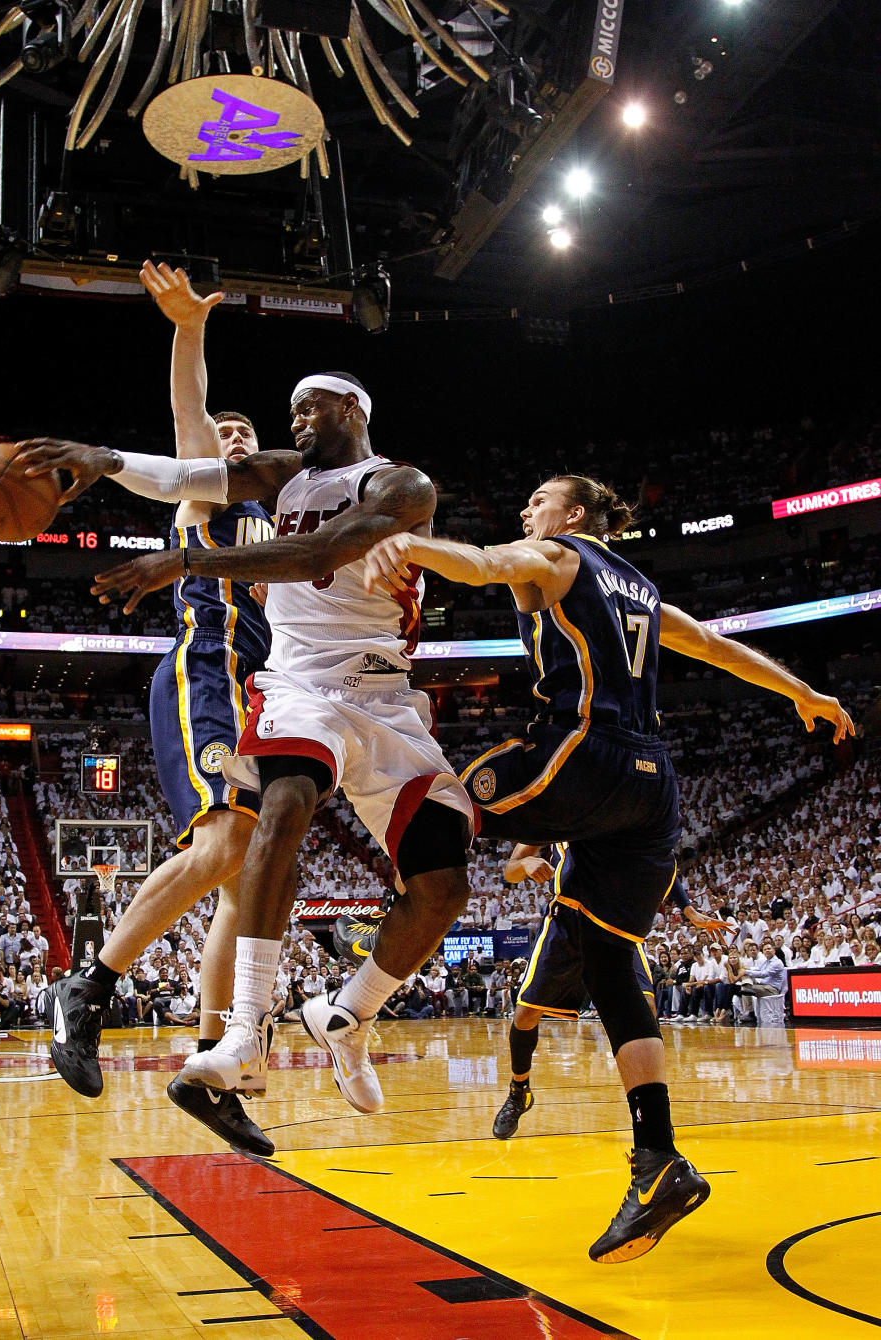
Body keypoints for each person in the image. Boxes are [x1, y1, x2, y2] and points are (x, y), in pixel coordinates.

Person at [361, 471, 853, 1264]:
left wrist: (410, 542)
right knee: (610, 962)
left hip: (583, 751)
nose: (528, 509)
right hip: (652, 790)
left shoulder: (557, 556)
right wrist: (804, 692)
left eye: (540, 500)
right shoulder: (645, 592)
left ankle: (362, 990)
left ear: (576, 515)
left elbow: (484, 565)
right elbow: (719, 648)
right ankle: (657, 1159)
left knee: (441, 798)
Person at [22, 368, 477, 1117]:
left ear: (352, 407)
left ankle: (348, 1014)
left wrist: (190, 558)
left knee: (442, 885)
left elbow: (316, 554)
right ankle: (231, 1032)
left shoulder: (402, 485)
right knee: (277, 808)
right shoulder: (281, 477)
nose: (294, 421)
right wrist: (105, 458)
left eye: (309, 408)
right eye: (290, 411)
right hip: (294, 684)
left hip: (386, 697)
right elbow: (192, 470)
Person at [29, 262, 275, 1157]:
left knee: (243, 887)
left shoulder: (283, 519)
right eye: (227, 432)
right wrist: (188, 330)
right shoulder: (204, 488)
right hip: (206, 673)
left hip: (267, 698)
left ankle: (210, 1063)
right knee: (221, 849)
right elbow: (188, 415)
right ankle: (87, 987)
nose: (234, 439)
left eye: (247, 432)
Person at [488, 843, 732, 1138]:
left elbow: (660, 857)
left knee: (646, 1009)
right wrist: (526, 865)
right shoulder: (550, 809)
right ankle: (519, 1090)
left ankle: (652, 1115)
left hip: (613, 919)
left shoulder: (616, 806)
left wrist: (688, 908)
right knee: (526, 1013)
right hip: (565, 920)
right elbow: (510, 870)